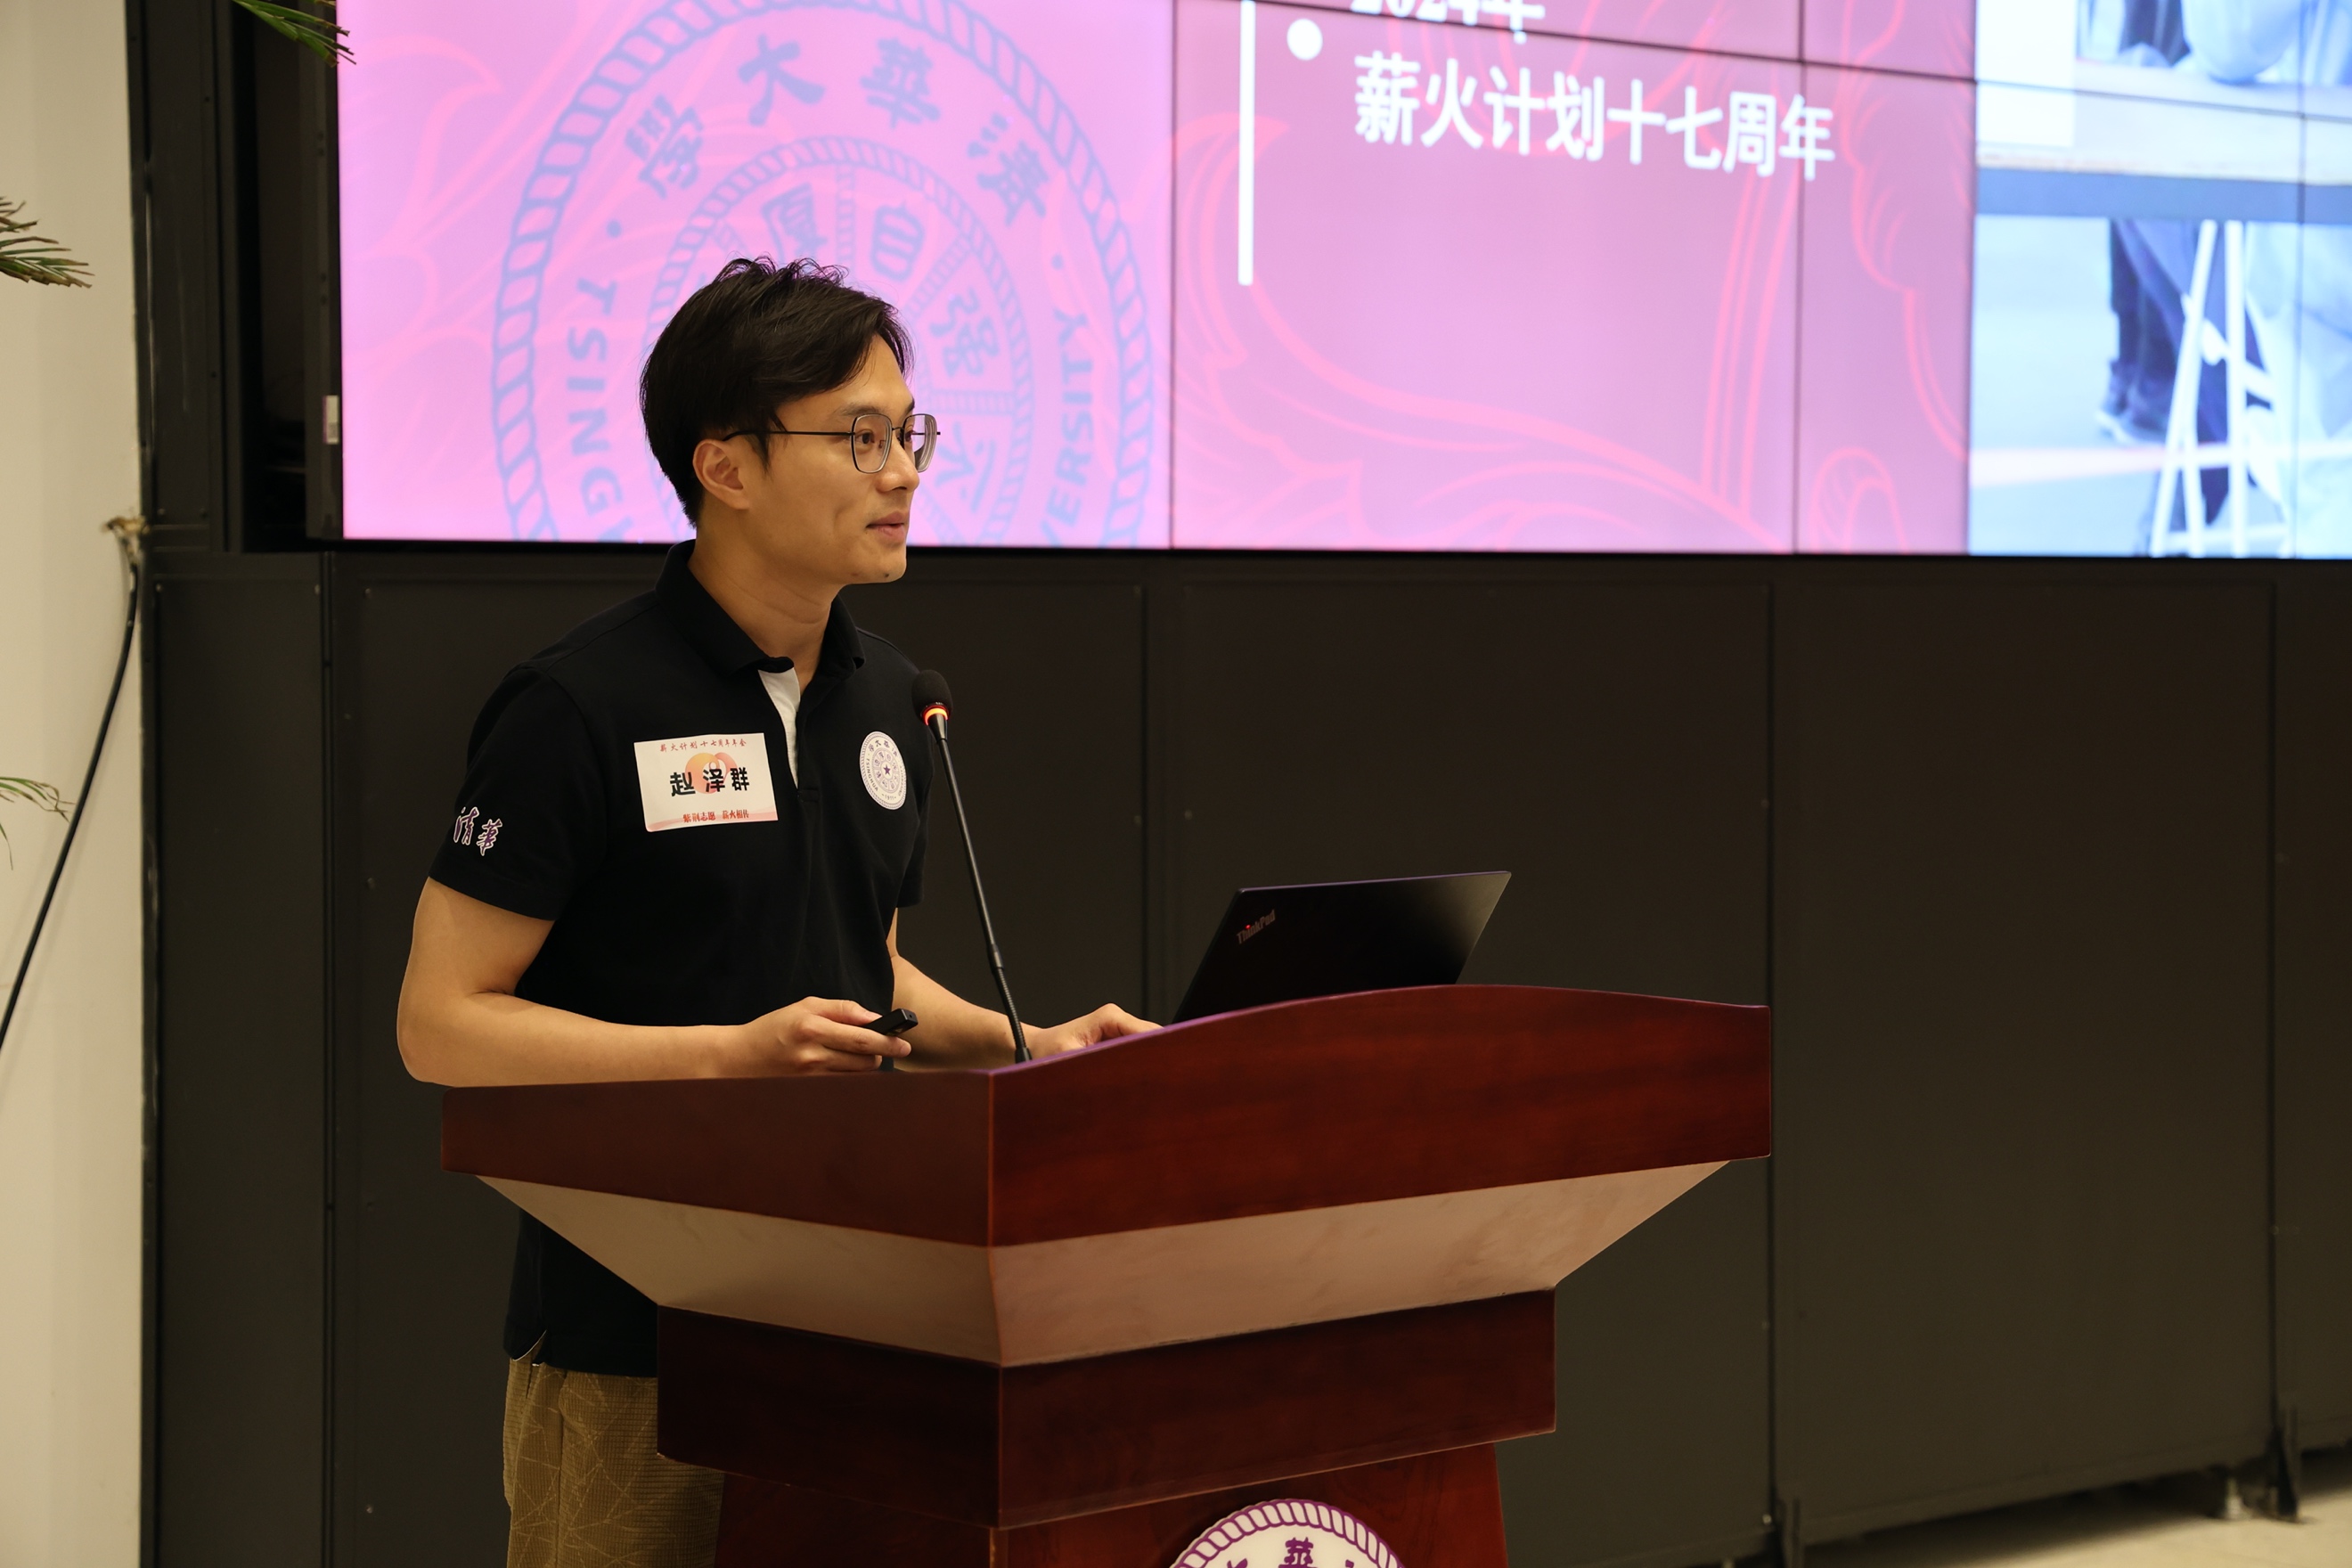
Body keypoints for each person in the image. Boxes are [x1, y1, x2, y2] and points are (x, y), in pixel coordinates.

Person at [395, 257, 1156, 1568]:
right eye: (859, 437)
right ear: (726, 466)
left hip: (859, 1323)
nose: (902, 472)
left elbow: (868, 976)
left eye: (909, 434)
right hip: (636, 1336)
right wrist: (725, 1055)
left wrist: (1030, 1046)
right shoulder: (580, 706)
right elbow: (441, 1024)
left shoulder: (894, 699)